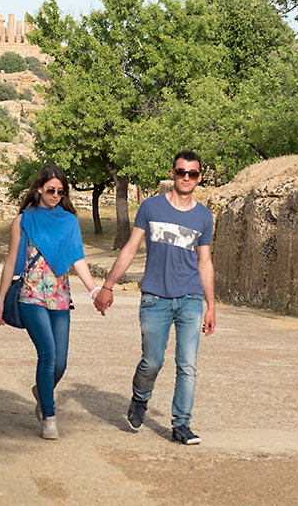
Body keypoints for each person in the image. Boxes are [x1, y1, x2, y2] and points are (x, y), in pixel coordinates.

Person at [94, 150, 215, 446]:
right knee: (152, 361)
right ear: (173, 174)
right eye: (181, 172)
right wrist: (108, 286)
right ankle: (140, 398)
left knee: (187, 364)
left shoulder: (204, 216)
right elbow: (130, 248)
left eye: (193, 174)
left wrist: (211, 305)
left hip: (190, 299)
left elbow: (205, 262)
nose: (186, 177)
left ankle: (181, 425)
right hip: (155, 299)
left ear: (199, 178)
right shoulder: (150, 207)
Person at [0, 165, 101, 440]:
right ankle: (49, 416)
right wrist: (0, 300)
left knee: (61, 363)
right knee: (48, 354)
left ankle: (41, 391)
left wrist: (94, 291)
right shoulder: (23, 220)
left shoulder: (69, 221)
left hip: (60, 296)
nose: (55, 195)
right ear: (39, 188)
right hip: (31, 295)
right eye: (50, 190)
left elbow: (78, 259)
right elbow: (10, 260)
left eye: (60, 191)